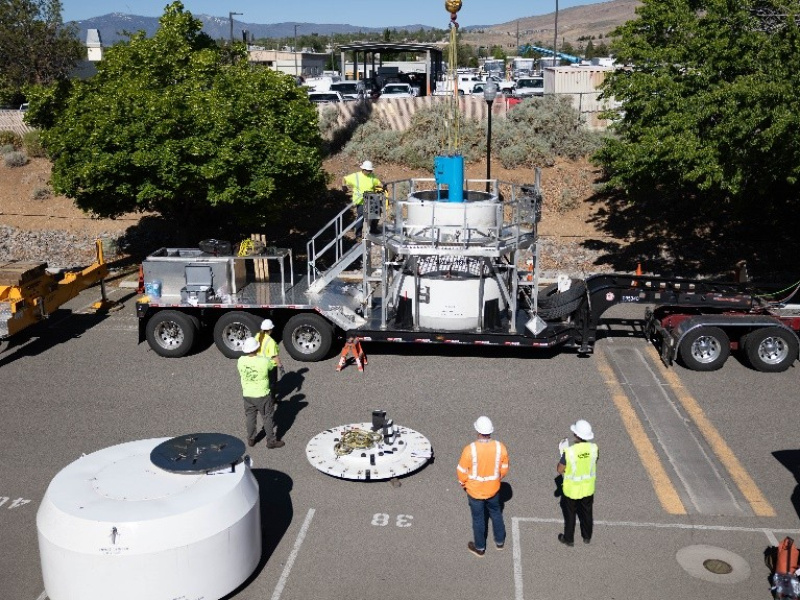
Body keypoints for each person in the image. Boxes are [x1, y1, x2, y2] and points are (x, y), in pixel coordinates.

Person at [457, 416, 509, 557]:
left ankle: (480, 547)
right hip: (493, 489)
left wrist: (464, 485)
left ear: (477, 431)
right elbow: (504, 468)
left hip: (474, 492)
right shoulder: (500, 447)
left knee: (478, 519)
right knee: (496, 513)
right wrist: (497, 479)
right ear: (490, 432)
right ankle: (500, 542)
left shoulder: (470, 450)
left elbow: (461, 472)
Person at [237, 337, 285, 449]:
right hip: (262, 394)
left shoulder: (241, 360)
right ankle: (271, 441)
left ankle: (251, 438)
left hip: (247, 394)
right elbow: (271, 366)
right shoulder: (264, 361)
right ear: (257, 348)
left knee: (250, 417)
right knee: (267, 417)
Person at [556, 419, 598, 546]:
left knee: (570, 515)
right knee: (587, 512)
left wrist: (562, 455)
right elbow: (592, 462)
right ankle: (587, 536)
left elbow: (560, 470)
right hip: (588, 488)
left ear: (577, 435)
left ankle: (568, 539)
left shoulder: (569, 452)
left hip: (572, 490)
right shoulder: (594, 448)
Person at [342, 160, 383, 237]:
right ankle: (358, 232)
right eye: (368, 170)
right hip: (360, 199)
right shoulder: (356, 176)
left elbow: (378, 182)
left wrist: (383, 185)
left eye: (371, 170)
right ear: (363, 169)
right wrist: (344, 186)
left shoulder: (372, 176)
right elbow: (344, 178)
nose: (370, 172)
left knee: (376, 213)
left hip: (371, 198)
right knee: (361, 216)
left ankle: (373, 229)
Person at [257, 319, 285, 391]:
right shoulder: (270, 341)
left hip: (259, 364)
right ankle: (272, 400)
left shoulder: (258, 335)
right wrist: (280, 366)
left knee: (263, 382)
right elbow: (274, 357)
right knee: (272, 384)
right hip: (270, 366)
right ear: (270, 330)